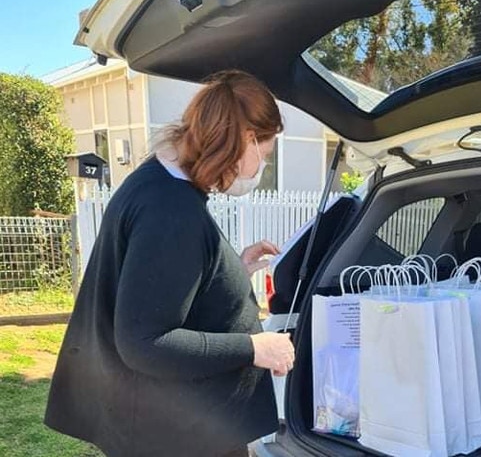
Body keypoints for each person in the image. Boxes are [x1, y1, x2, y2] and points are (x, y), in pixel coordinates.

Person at [45, 70, 295, 457]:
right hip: (174, 436)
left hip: (172, 427)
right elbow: (146, 344)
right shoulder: (169, 209)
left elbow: (161, 284)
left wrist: (230, 273)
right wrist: (256, 348)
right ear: (246, 140)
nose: (259, 168)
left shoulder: (156, 182)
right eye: (265, 153)